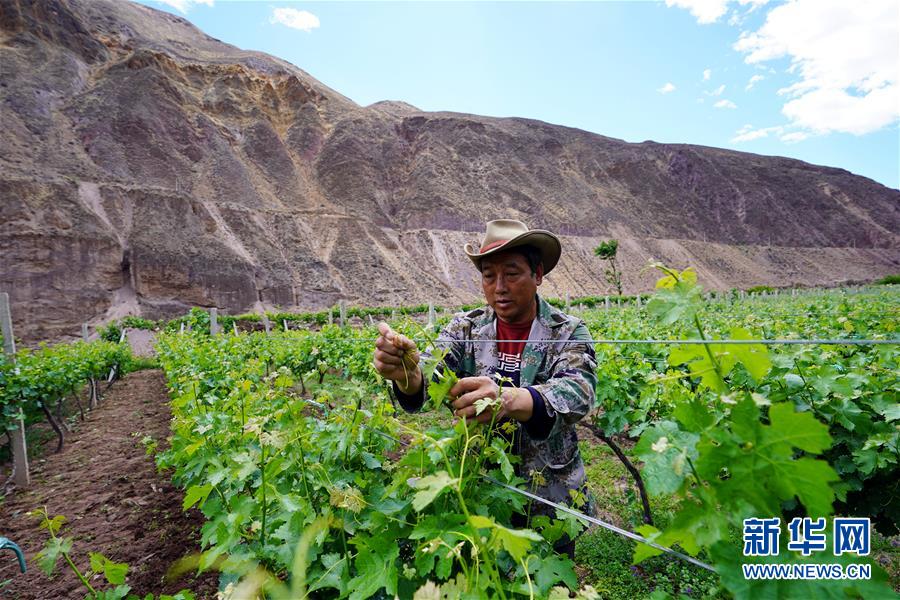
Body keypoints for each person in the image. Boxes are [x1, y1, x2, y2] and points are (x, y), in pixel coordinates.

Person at [372, 219, 597, 558]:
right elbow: (431, 373)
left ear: (538, 275)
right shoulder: (465, 329)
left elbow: (579, 391)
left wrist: (509, 399)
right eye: (489, 276)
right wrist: (407, 373)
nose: (499, 287)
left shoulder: (567, 332)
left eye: (512, 273)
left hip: (550, 498)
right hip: (480, 492)